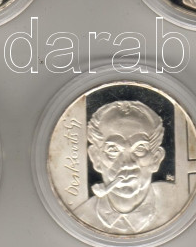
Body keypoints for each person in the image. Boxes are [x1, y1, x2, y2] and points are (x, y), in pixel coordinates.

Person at [74, 100, 179, 234]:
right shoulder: (81, 216)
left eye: (139, 148)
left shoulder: (176, 201)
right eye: (113, 150)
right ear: (96, 158)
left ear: (156, 158)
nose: (127, 164)